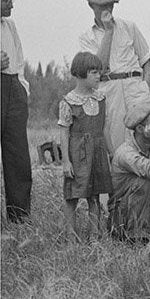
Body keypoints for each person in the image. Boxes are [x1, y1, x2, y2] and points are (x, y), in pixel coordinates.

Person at [79, 0, 150, 156]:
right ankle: (121, 182)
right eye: (102, 5)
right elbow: (98, 67)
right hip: (109, 92)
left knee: (146, 138)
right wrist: (109, 31)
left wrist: (146, 89)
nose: (107, 10)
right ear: (91, 5)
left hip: (135, 88)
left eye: (111, 5)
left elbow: (147, 60)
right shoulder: (87, 38)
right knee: (118, 145)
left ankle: (149, 181)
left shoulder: (129, 27)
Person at [108, 93, 150, 243]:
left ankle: (149, 231)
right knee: (145, 181)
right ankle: (137, 237)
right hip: (122, 218)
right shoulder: (126, 153)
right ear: (140, 128)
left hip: (147, 210)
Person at [58, 51, 113, 242]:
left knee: (95, 195)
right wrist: (66, 161)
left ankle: (94, 236)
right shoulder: (69, 101)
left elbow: (104, 128)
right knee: (72, 195)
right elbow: (64, 132)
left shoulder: (101, 99)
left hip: (97, 151)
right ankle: (71, 237)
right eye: (94, 72)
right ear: (81, 73)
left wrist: (111, 152)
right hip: (78, 153)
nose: (99, 76)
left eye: (99, 72)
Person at [0, 0, 32, 222]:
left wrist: (22, 87)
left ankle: (19, 216)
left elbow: (18, 59)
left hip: (13, 88)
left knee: (18, 155)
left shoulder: (9, 26)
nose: (10, 4)